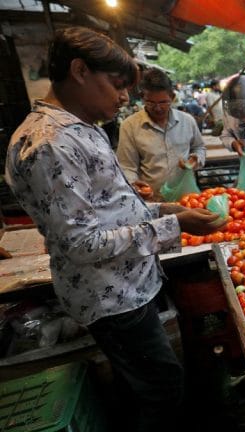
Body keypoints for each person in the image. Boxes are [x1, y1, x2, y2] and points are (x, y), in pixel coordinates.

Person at [5, 27, 225, 431]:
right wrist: (173, 225)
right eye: (117, 84)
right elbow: (82, 241)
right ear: (80, 71)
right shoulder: (49, 143)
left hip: (126, 286)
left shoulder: (80, 129)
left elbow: (109, 207)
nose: (125, 97)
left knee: (141, 384)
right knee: (162, 388)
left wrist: (161, 207)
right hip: (113, 297)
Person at [117, 68, 206, 200]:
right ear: (142, 98)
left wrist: (195, 160)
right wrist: (134, 184)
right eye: (151, 103)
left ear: (172, 97)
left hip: (188, 199)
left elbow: (199, 147)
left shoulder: (187, 121)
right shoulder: (129, 126)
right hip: (152, 202)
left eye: (163, 102)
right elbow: (127, 166)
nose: (158, 108)